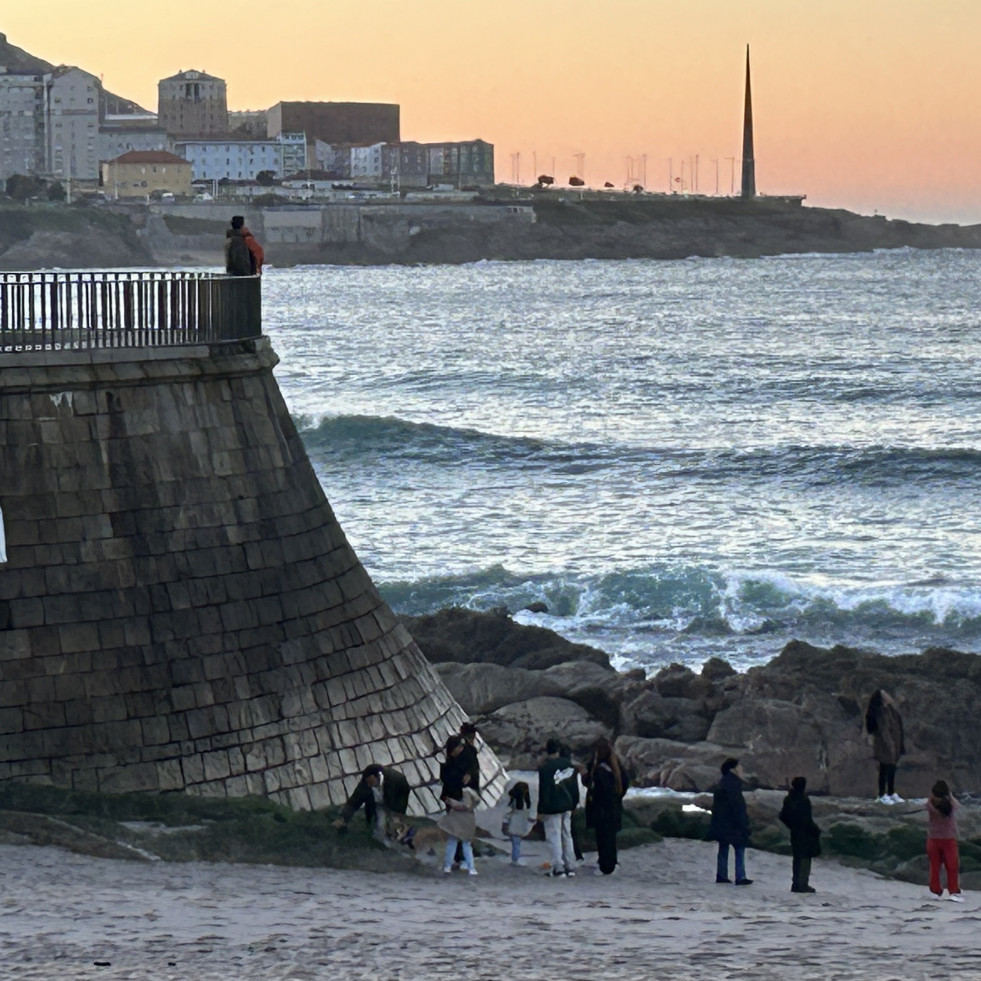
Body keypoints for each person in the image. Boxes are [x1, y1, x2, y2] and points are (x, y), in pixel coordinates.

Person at [583, 737, 628, 875]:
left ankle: (606, 866)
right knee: (610, 837)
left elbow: (591, 784)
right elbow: (624, 785)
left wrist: (585, 776)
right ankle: (611, 863)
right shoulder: (617, 768)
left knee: (602, 838)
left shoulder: (598, 768)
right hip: (613, 807)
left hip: (600, 808)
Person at [535, 738, 578, 878]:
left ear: (547, 751)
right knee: (567, 834)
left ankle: (558, 867)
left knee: (554, 835)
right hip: (567, 804)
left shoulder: (545, 768)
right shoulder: (568, 765)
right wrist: (574, 803)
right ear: (559, 750)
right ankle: (570, 866)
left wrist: (540, 810)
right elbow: (573, 786)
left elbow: (544, 790)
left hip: (552, 806)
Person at [332, 764, 410, 838]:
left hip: (394, 804)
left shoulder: (396, 779)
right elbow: (354, 800)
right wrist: (343, 818)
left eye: (370, 781)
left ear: (375, 776)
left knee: (395, 824)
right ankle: (382, 841)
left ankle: (398, 837)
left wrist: (400, 812)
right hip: (378, 805)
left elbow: (404, 794)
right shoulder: (364, 785)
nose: (368, 784)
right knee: (380, 825)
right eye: (367, 782)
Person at [707, 758, 753, 885]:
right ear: (733, 769)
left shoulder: (722, 783)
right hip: (734, 823)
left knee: (723, 848)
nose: (741, 769)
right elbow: (737, 806)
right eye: (739, 767)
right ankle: (740, 876)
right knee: (739, 848)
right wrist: (743, 823)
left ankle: (721, 875)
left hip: (722, 822)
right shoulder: (734, 784)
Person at [778, 776, 821, 893]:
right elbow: (807, 818)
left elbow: (783, 816)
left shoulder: (789, 799)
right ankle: (803, 884)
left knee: (797, 858)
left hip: (795, 832)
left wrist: (792, 825)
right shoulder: (804, 800)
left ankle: (796, 883)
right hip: (805, 832)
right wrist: (815, 829)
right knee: (805, 858)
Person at [864, 689, 905, 803]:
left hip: (894, 744)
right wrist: (890, 745)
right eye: (885, 694)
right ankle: (882, 794)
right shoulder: (881, 712)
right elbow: (884, 731)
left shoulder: (890, 710)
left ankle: (891, 792)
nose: (888, 695)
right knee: (884, 769)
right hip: (884, 745)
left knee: (892, 769)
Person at [926, 779, 963, 902]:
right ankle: (944, 890)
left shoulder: (939, 804)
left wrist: (946, 796)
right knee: (942, 866)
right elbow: (957, 806)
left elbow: (957, 806)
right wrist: (949, 796)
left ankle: (946, 890)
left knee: (945, 866)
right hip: (940, 839)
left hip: (942, 839)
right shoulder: (936, 804)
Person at [439, 783, 480, 876]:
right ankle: (471, 868)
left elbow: (465, 806)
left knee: (452, 843)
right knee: (466, 845)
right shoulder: (471, 792)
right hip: (468, 820)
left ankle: (447, 866)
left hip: (457, 819)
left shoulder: (464, 792)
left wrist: (451, 802)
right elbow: (471, 804)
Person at [502, 780, 534, 866]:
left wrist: (504, 824)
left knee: (515, 843)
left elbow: (507, 814)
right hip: (520, 825)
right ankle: (515, 859)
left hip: (514, 824)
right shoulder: (525, 802)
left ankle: (515, 858)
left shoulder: (513, 802)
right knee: (517, 843)